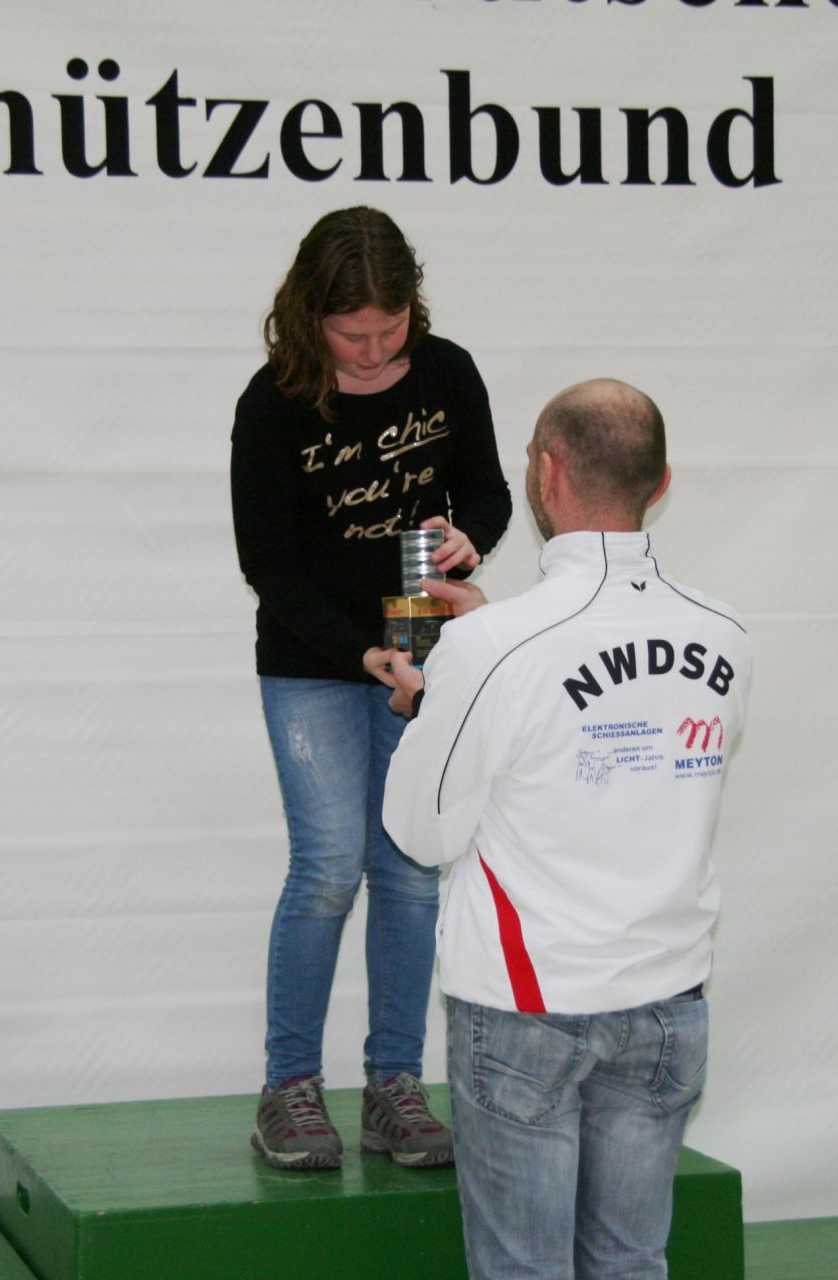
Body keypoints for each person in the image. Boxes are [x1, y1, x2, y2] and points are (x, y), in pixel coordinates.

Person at [380, 379, 750, 1277]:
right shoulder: (726, 633)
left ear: (546, 474)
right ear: (661, 482)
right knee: (632, 1263)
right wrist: (474, 664)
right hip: (668, 998)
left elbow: (421, 832)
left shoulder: (491, 649)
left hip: (529, 1008)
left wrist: (431, 703)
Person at [230, 206, 512, 1171]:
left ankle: (395, 1084)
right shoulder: (273, 403)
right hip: (312, 663)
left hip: (421, 652)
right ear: (310, 316)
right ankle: (289, 1088)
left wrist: (472, 536)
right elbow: (268, 564)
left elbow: (488, 494)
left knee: (409, 868)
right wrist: (359, 654)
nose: (374, 350)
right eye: (352, 334)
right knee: (326, 868)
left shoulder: (448, 372)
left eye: (389, 329)